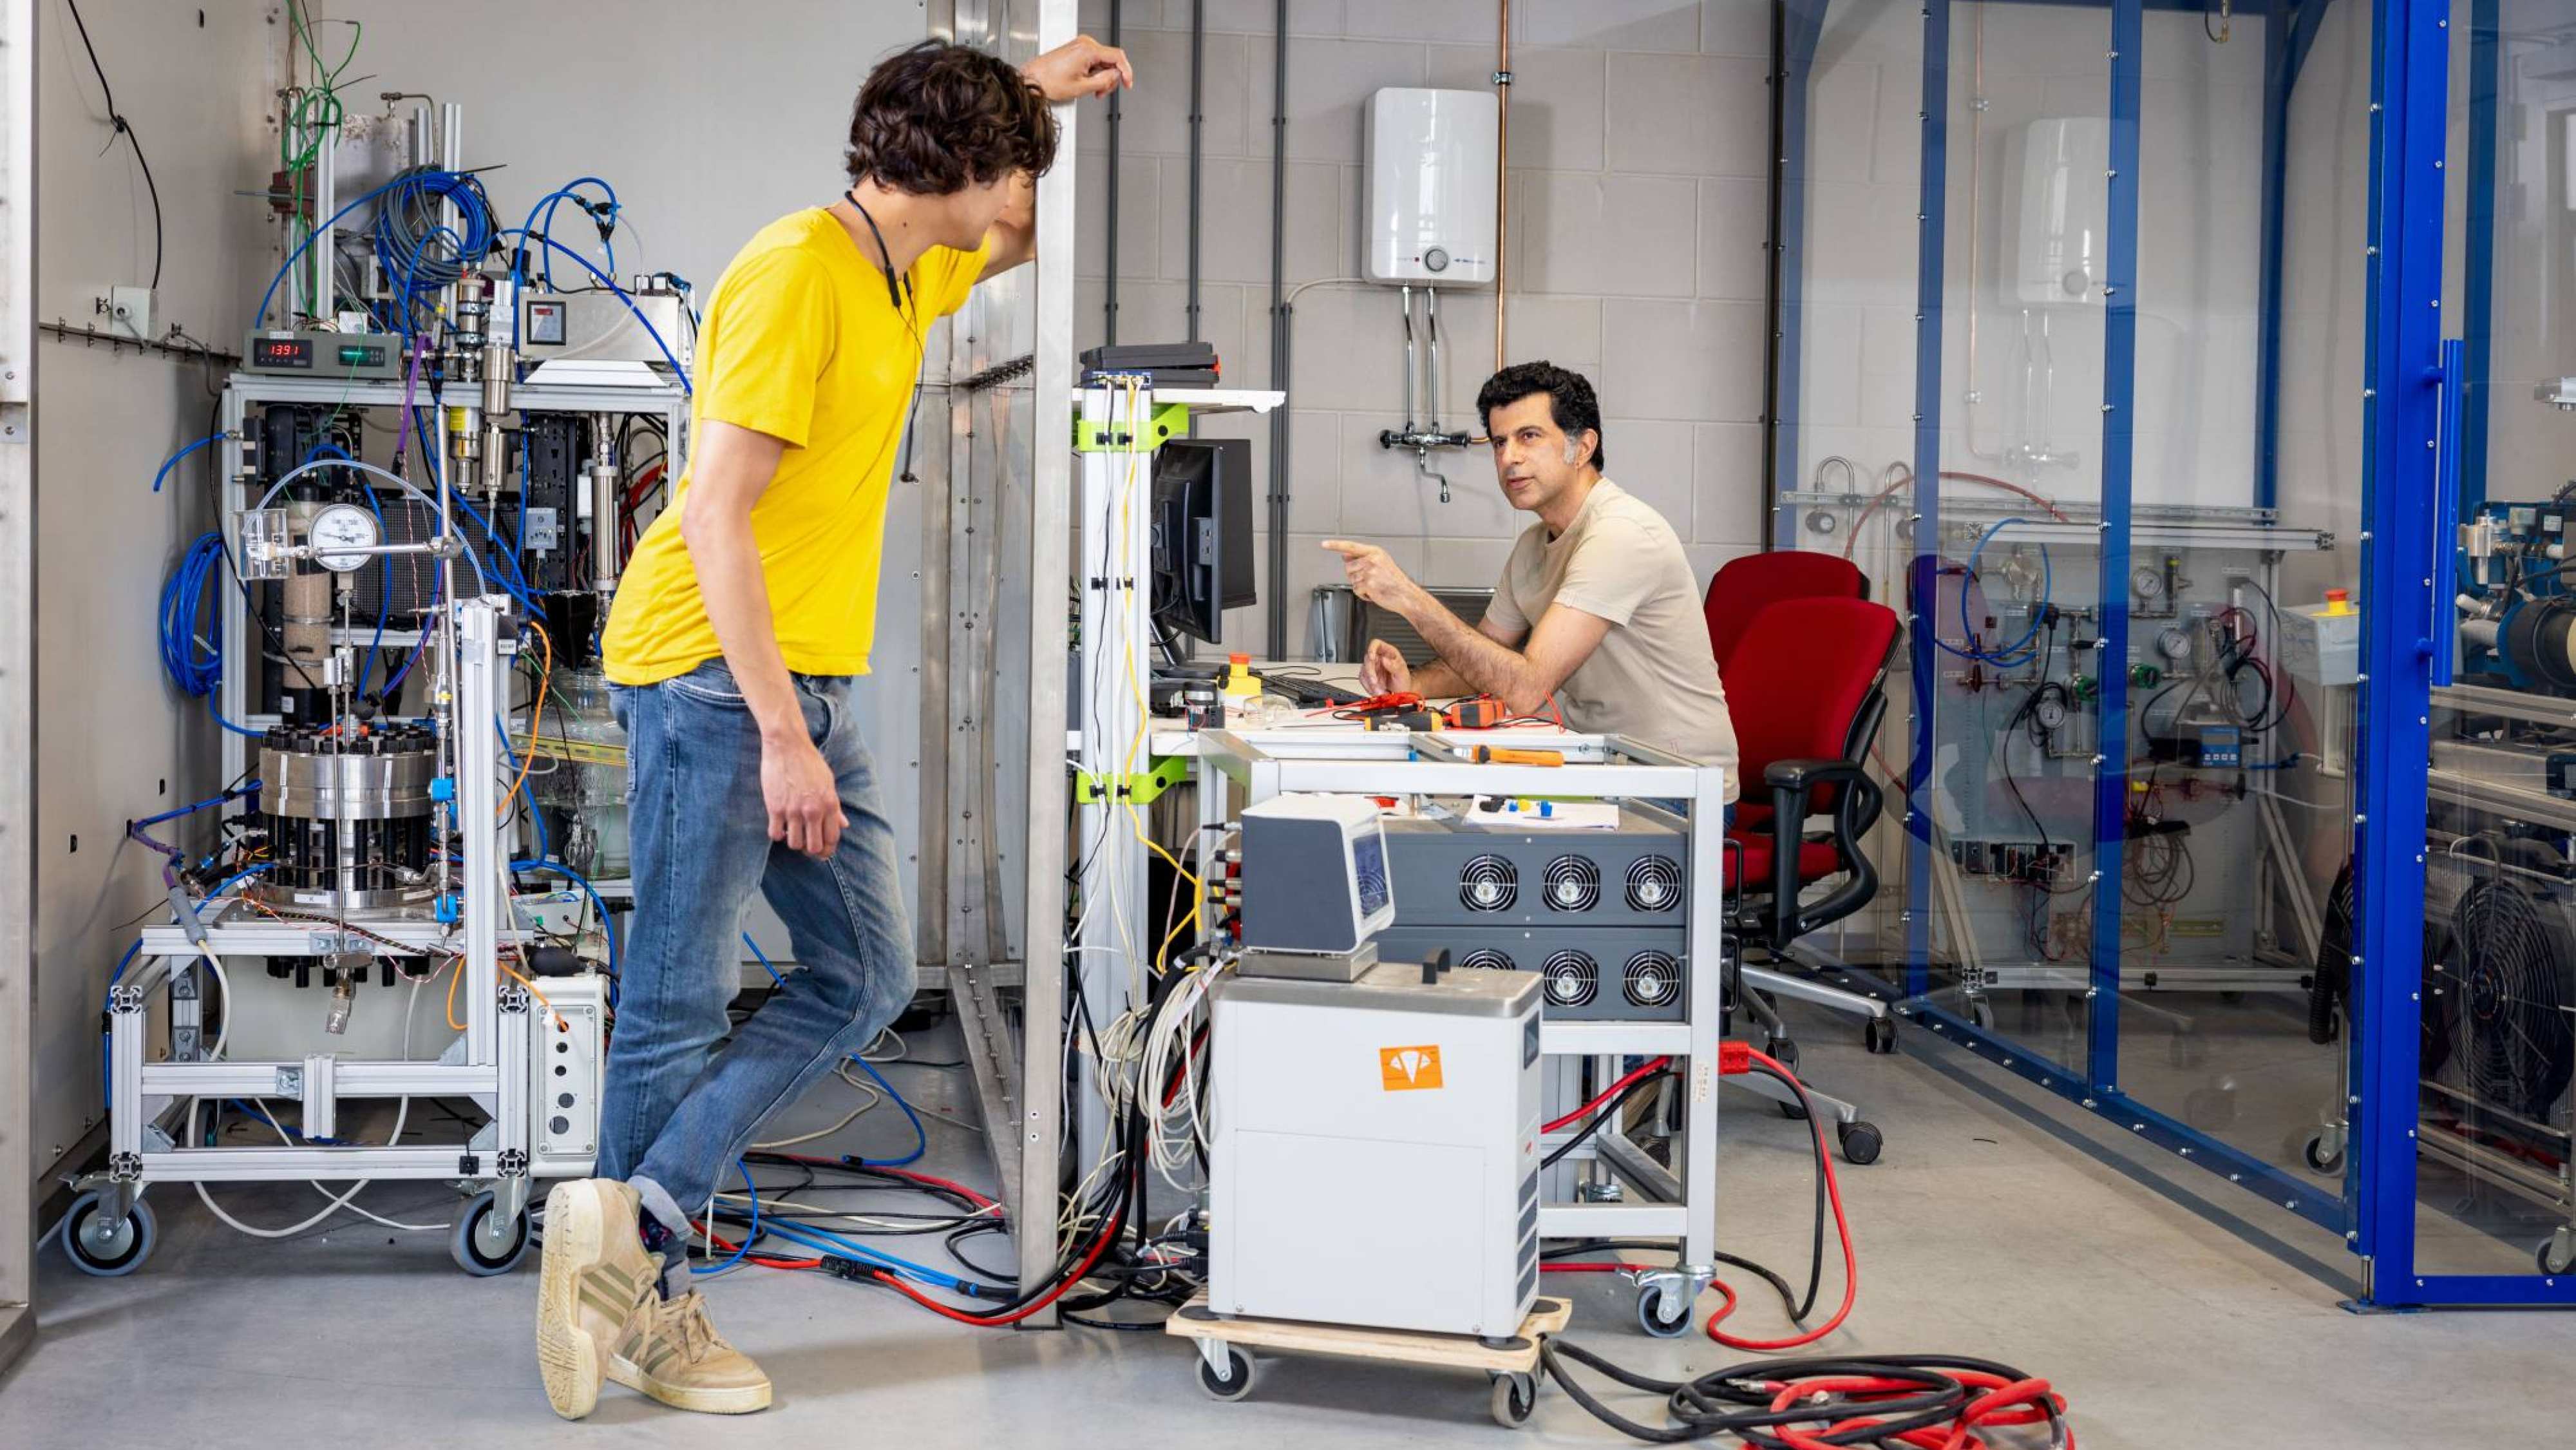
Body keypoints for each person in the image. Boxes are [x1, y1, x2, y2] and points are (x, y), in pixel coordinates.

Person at [533, 36, 1131, 1421]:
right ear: (956, 173)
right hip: (709, 677)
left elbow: (1019, 233)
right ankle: (648, 1308)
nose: (1014, 207)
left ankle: (628, 1223)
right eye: (1003, 175)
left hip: (799, 683)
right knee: (679, 997)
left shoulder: (905, 269)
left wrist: (1022, 93)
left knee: (864, 974)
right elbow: (710, 514)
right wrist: (779, 738)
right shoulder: (801, 271)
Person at [1323, 361, 1738, 791]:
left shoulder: (1621, 534)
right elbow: (1479, 663)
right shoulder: (1534, 545)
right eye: (1500, 442)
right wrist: (1413, 684)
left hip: (1677, 786)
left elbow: (1524, 690)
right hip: (1604, 766)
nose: (1509, 457)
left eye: (1529, 437)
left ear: (1582, 447)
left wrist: (1408, 596)